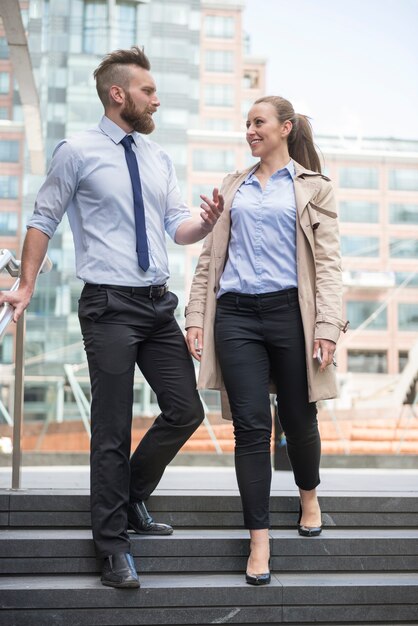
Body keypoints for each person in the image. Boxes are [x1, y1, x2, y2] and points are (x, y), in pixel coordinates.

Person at [0, 46, 224, 588]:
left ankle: (131, 498)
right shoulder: (75, 151)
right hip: (107, 306)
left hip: (155, 303)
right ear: (118, 94)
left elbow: (177, 226)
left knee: (185, 409)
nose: (157, 99)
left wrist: (208, 222)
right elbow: (42, 220)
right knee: (111, 429)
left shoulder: (157, 158)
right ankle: (113, 547)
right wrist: (25, 284)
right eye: (148, 91)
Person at [185, 96, 348, 586]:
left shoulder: (313, 188)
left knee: (299, 417)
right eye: (247, 124)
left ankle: (308, 494)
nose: (250, 131)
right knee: (251, 427)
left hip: (290, 315)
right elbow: (210, 259)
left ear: (285, 127)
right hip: (235, 316)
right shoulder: (233, 187)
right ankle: (259, 540)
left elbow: (329, 264)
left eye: (259, 123)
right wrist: (195, 316)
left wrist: (327, 327)